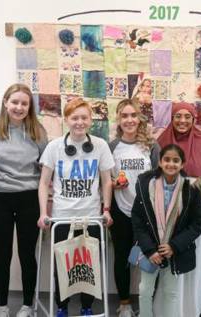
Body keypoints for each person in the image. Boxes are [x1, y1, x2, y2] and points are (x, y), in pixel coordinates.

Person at [37, 97, 114, 317]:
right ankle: (61, 308)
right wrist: (44, 213)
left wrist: (106, 209)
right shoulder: (55, 147)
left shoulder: (100, 146)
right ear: (66, 120)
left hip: (91, 218)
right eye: (74, 118)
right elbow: (43, 183)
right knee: (62, 265)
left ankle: (87, 307)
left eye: (84, 117)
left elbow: (107, 180)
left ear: (91, 120)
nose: (79, 122)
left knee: (90, 266)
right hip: (62, 217)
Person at [0, 83, 47, 317]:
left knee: (27, 254)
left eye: (24, 103)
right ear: (5, 103)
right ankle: (2, 306)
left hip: (29, 198)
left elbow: (45, 170)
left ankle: (27, 305)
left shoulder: (38, 133)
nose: (19, 107)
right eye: (15, 102)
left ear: (30, 107)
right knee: (3, 255)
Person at [157, 102, 201, 317]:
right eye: (178, 116)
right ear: (172, 118)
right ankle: (170, 308)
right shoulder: (161, 141)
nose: (182, 121)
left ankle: (195, 306)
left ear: (194, 119)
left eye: (187, 116)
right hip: (169, 200)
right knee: (172, 248)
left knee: (200, 251)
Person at [131, 144, 201, 317]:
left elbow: (198, 224)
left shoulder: (191, 188)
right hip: (150, 250)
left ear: (182, 163)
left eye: (175, 160)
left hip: (174, 251)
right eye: (167, 159)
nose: (171, 164)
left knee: (171, 292)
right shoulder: (145, 184)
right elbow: (138, 219)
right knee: (144, 290)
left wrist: (174, 246)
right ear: (160, 162)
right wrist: (149, 250)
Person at [108, 99, 160, 317]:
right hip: (121, 210)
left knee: (151, 256)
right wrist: (113, 184)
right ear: (118, 120)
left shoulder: (152, 146)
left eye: (133, 115)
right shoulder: (111, 147)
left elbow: (160, 179)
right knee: (122, 257)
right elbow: (104, 181)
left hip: (147, 212)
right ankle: (125, 304)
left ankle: (148, 303)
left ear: (140, 118)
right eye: (124, 116)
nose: (129, 120)